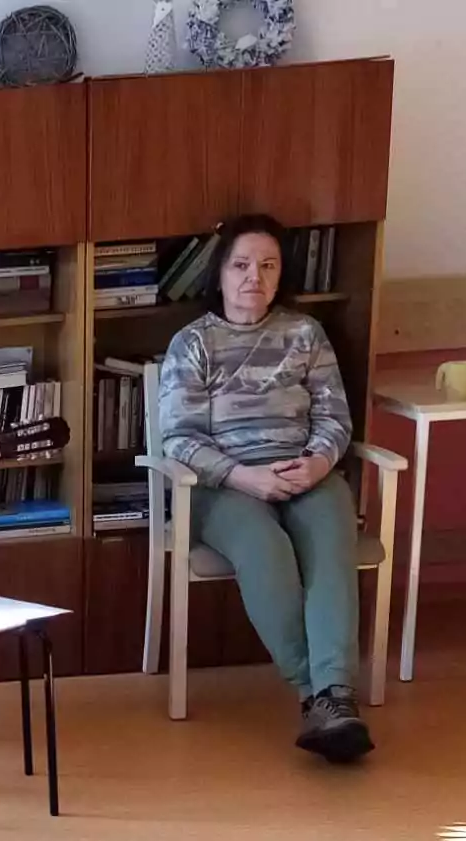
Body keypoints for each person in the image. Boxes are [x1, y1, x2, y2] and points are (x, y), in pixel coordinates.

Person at [159, 212, 372, 763]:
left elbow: (335, 417)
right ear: (221, 273)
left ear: (281, 275)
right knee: (266, 549)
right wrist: (242, 476)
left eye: (268, 266)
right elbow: (178, 439)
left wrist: (319, 463)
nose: (254, 276)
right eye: (241, 265)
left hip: (305, 472)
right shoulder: (193, 343)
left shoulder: (305, 334)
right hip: (223, 484)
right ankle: (315, 692)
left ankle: (336, 694)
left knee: (331, 545)